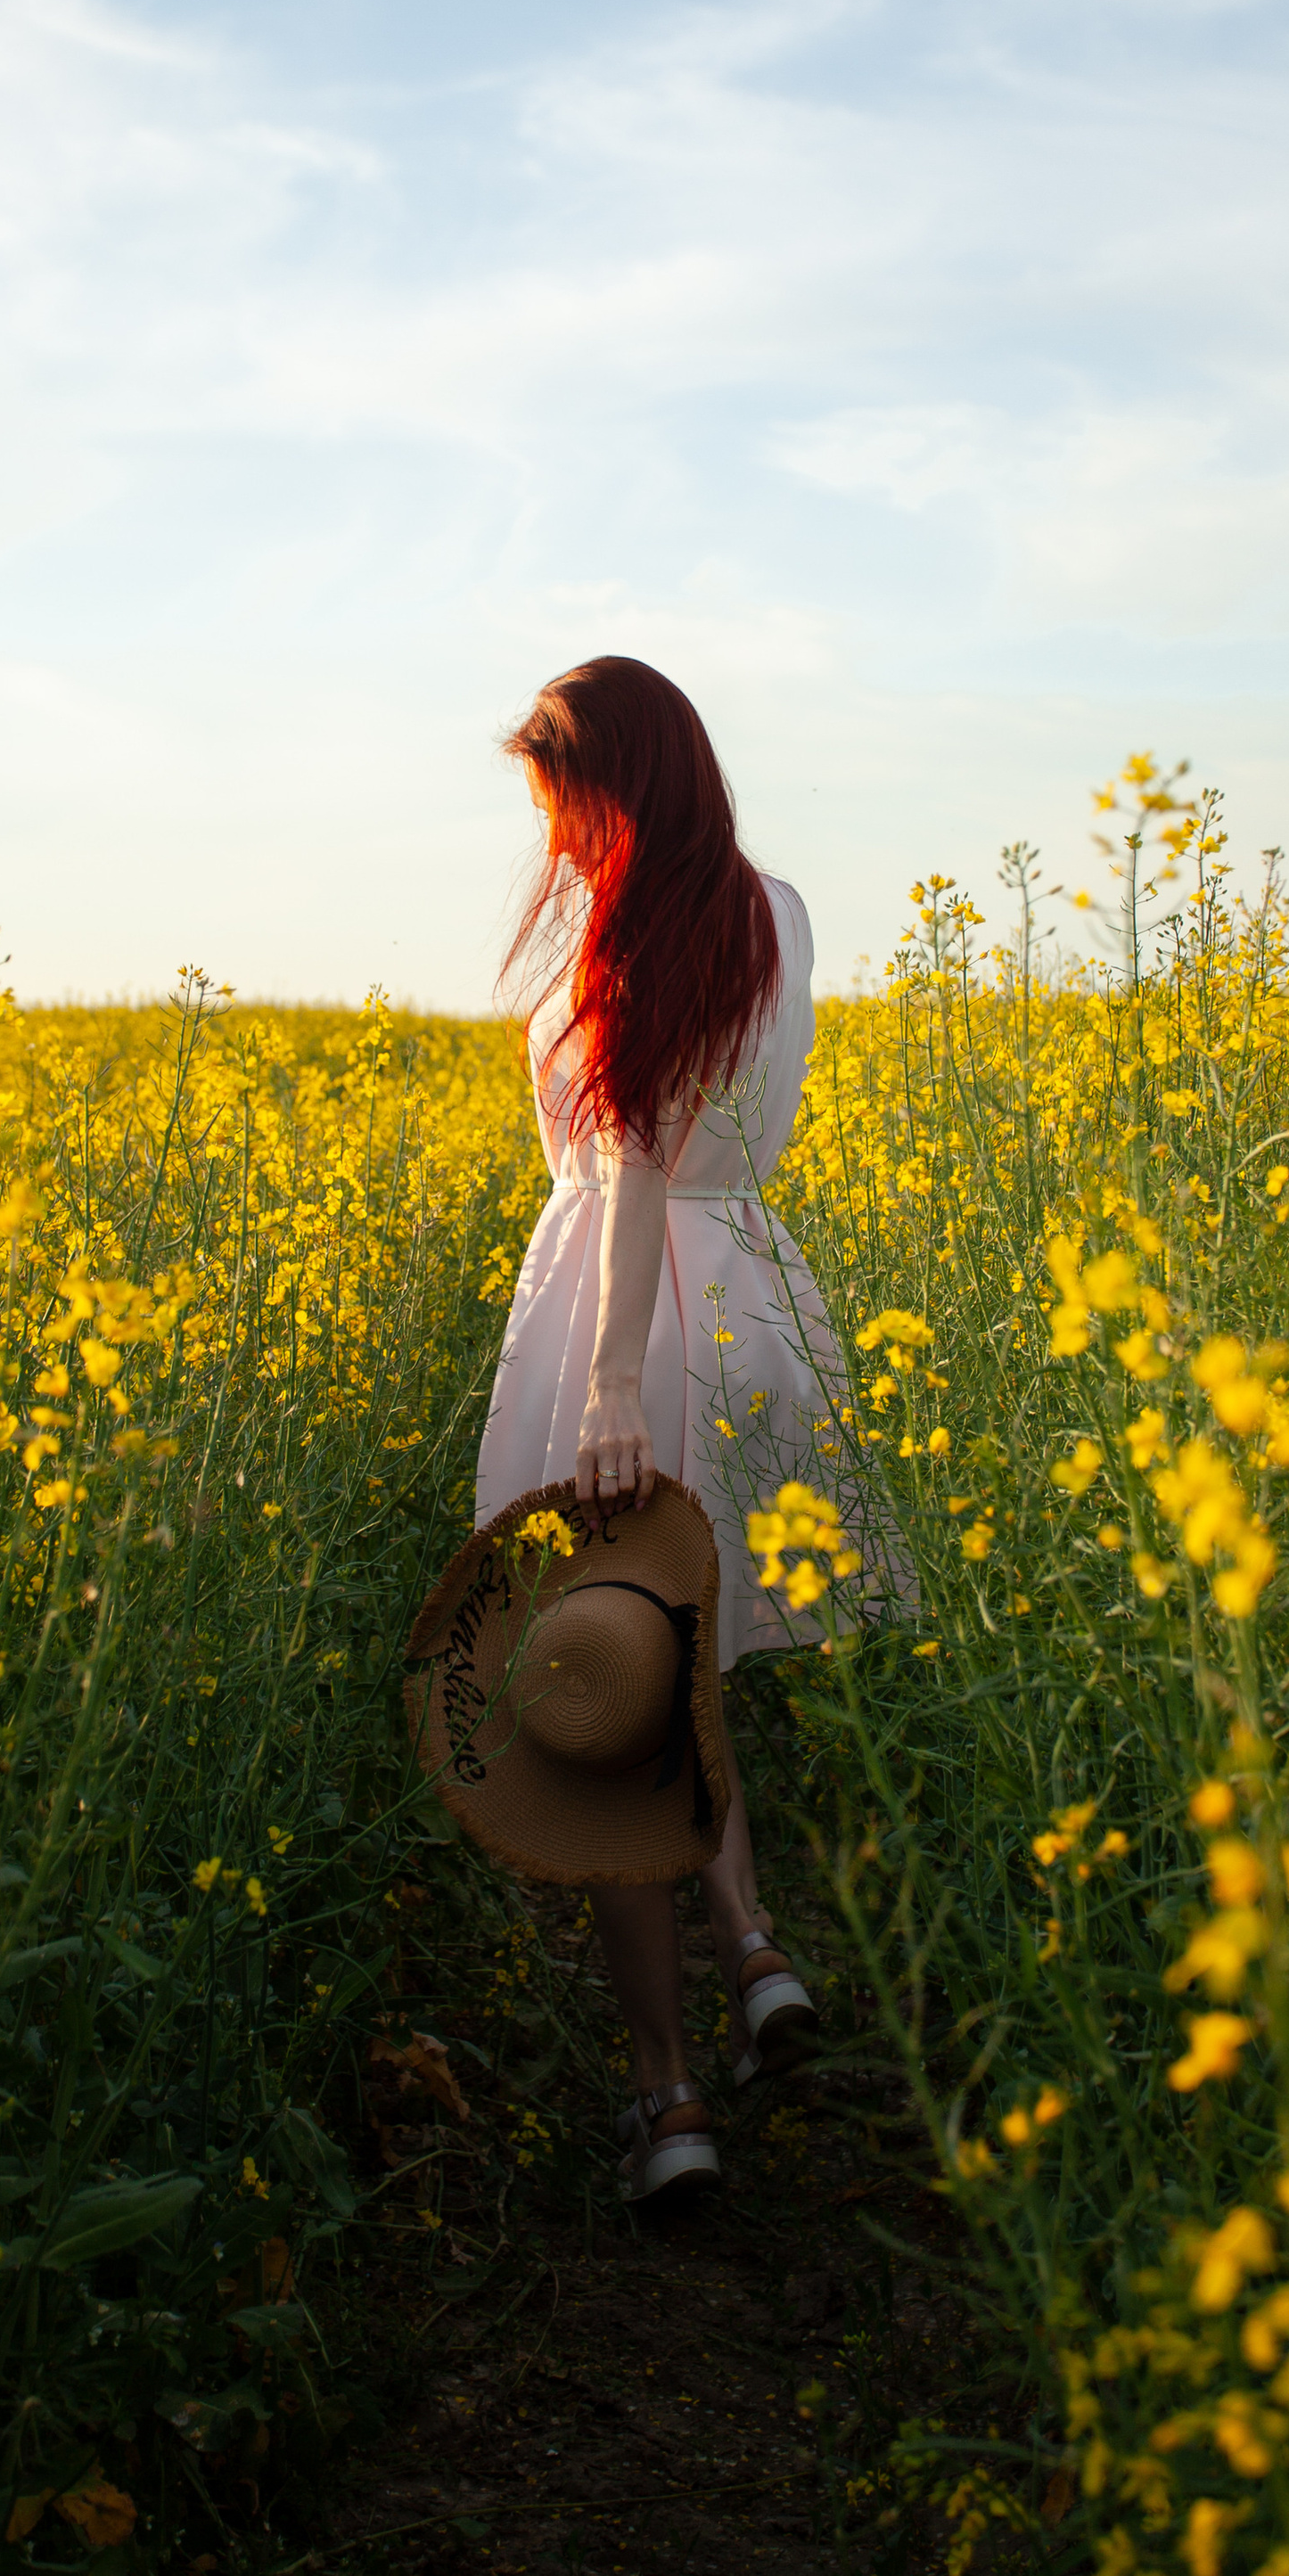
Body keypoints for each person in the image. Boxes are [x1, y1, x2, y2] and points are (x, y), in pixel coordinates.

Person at [476, 654, 866, 2203]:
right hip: (758, 1302)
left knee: (597, 1711)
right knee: (676, 1674)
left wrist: (612, 1382)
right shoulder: (781, 907)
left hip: (628, 1322)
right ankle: (758, 1945)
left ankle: (669, 2098)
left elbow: (632, 1156)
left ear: (613, 779)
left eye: (561, 800)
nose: (554, 837)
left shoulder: (623, 923)